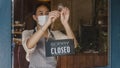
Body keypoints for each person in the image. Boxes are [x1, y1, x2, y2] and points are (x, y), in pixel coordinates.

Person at [22, 2, 78, 68]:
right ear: (35, 17)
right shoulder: (28, 33)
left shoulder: (56, 34)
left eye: (47, 13)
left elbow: (73, 45)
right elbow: (29, 45)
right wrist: (47, 23)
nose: (44, 16)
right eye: (41, 13)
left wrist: (65, 23)